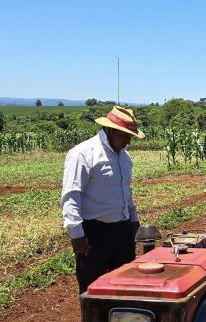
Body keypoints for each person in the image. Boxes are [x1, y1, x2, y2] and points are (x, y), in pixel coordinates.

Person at [61, 106, 145, 294]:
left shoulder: (125, 157)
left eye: (130, 136)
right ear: (109, 130)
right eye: (124, 135)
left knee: (126, 286)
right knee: (92, 290)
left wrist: (133, 219)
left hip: (122, 231)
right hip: (94, 235)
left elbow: (125, 191)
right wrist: (76, 234)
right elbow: (71, 195)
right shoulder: (83, 153)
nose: (128, 141)